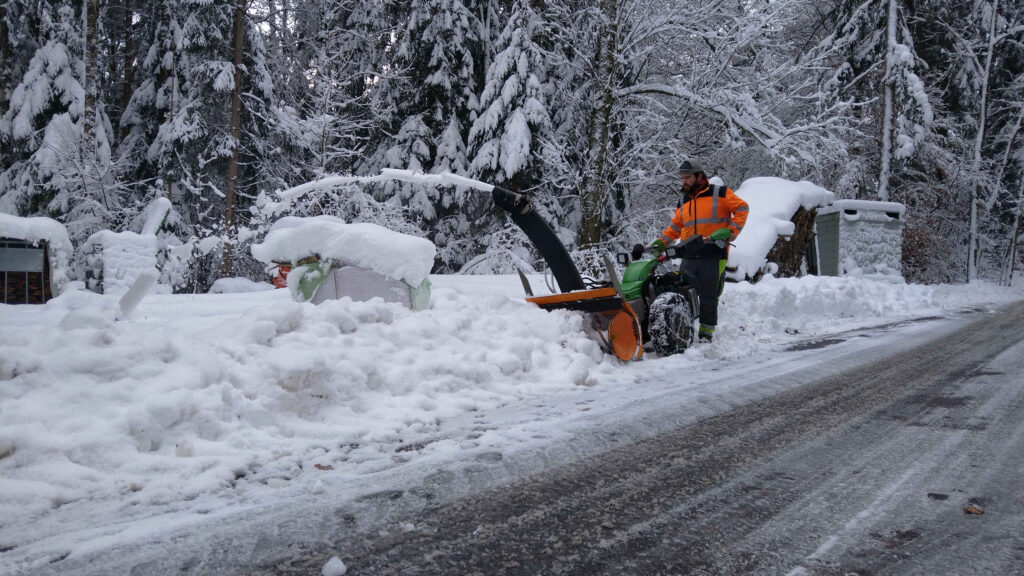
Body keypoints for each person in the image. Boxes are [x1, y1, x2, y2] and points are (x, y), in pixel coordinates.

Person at [651, 158, 748, 343]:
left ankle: (706, 333)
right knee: (685, 291)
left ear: (699, 176)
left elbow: (742, 208)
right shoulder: (683, 201)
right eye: (682, 178)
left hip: (713, 253)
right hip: (688, 254)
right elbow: (676, 226)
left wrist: (732, 230)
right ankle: (684, 328)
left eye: (687, 177)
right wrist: (662, 241)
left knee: (709, 294)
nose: (684, 181)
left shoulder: (720, 193)